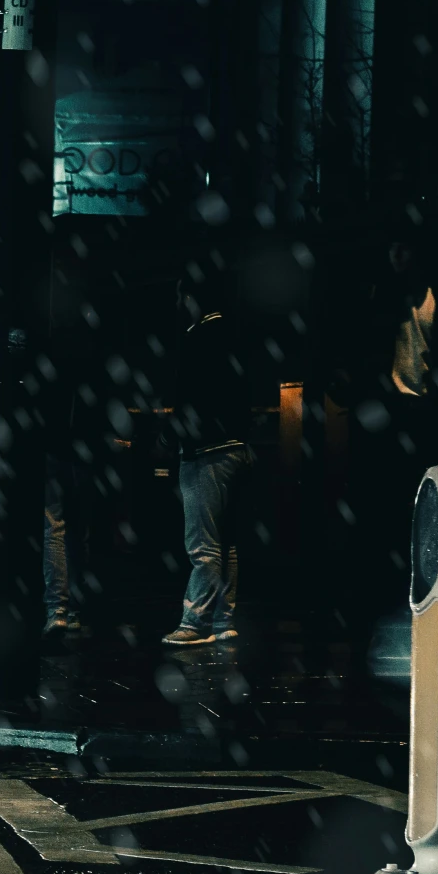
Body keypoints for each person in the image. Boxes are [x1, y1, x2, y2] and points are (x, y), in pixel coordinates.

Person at [164, 274, 252, 650]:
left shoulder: (196, 337)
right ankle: (223, 618)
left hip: (207, 451)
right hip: (236, 447)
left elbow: (189, 398)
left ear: (190, 297)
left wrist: (174, 437)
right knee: (226, 541)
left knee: (203, 544)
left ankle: (194, 621)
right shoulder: (234, 334)